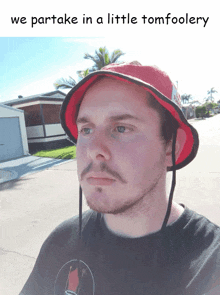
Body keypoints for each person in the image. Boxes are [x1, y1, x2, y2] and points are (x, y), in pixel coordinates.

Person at [20, 62, 220, 295]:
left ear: (171, 147)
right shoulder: (62, 240)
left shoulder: (209, 264)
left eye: (122, 128)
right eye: (86, 130)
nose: (93, 149)